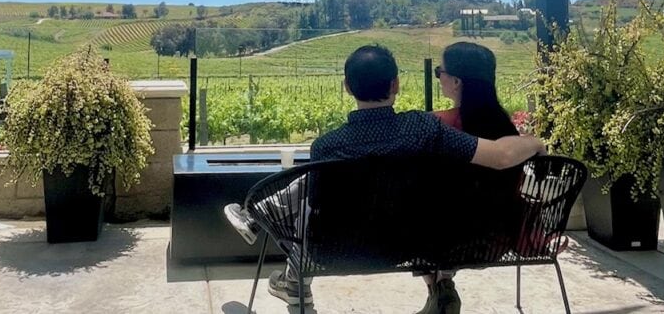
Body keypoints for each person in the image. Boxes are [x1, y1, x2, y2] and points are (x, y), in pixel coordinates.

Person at [223, 44, 545, 309]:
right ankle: (265, 225)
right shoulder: (423, 129)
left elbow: (319, 207)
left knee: (309, 204)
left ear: (347, 87)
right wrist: (535, 141)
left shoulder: (326, 145)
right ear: (396, 85)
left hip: (337, 252)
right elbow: (501, 156)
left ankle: (277, 247)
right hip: (405, 245)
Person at [418, 41, 519, 314]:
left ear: (456, 82)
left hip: (446, 241)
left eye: (440, 71)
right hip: (497, 240)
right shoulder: (507, 130)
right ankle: (441, 290)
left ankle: (437, 288)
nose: (438, 76)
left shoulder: (438, 125)